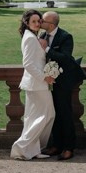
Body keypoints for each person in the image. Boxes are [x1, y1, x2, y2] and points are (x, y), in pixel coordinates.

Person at [40, 10, 86, 161]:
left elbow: (66, 58)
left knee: (65, 114)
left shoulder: (65, 37)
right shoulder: (42, 36)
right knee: (53, 114)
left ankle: (68, 148)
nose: (40, 23)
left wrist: (46, 49)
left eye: (43, 21)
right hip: (48, 82)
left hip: (63, 82)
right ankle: (56, 145)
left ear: (51, 24)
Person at [10, 10, 55, 160]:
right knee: (47, 114)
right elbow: (28, 64)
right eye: (34, 21)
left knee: (33, 117)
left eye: (39, 21)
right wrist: (45, 77)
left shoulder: (33, 37)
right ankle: (21, 147)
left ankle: (32, 150)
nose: (37, 24)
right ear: (27, 23)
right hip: (37, 84)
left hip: (36, 84)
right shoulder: (30, 38)